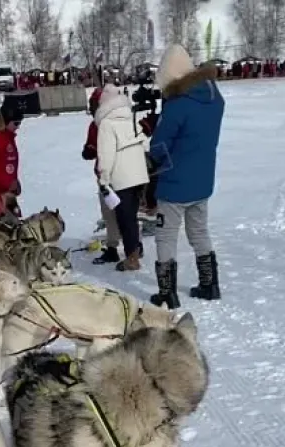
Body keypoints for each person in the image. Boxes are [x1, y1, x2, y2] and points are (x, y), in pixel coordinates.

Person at [148, 44, 225, 308]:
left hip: (174, 184)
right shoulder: (214, 98)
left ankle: (167, 292)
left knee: (166, 236)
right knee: (199, 231)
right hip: (203, 179)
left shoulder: (178, 106)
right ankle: (209, 284)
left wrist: (155, 128)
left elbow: (159, 146)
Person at [94, 84, 149, 271]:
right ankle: (135, 250)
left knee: (125, 219)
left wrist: (104, 180)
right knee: (132, 217)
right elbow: (146, 144)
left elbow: (106, 155)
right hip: (140, 175)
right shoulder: (132, 118)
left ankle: (132, 258)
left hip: (122, 177)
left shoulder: (106, 124)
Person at [82, 87, 121, 265]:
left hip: (107, 175)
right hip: (124, 172)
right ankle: (135, 245)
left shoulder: (99, 124)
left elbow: (92, 149)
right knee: (126, 211)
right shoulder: (120, 120)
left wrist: (89, 151)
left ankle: (113, 248)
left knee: (110, 213)